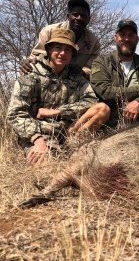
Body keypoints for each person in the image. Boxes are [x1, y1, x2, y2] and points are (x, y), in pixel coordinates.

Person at [7, 28, 110, 165]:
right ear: (49, 49)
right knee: (46, 171)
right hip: (40, 134)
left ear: (72, 54)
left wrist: (56, 112)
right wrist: (38, 140)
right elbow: (15, 114)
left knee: (102, 109)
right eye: (58, 48)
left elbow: (91, 100)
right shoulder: (31, 74)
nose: (62, 53)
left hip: (68, 133)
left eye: (68, 50)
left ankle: (73, 148)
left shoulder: (75, 76)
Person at [90, 19, 139, 128]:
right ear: (115, 38)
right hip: (110, 125)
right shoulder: (101, 62)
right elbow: (105, 91)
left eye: (131, 35)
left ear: (137, 39)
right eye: (122, 35)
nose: (126, 39)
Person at [20, 0, 100, 77]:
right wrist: (28, 62)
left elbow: (93, 67)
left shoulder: (93, 42)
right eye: (75, 15)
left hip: (75, 80)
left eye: (83, 16)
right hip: (47, 75)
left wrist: (83, 72)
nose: (79, 18)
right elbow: (37, 55)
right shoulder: (49, 31)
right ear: (68, 16)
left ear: (88, 19)